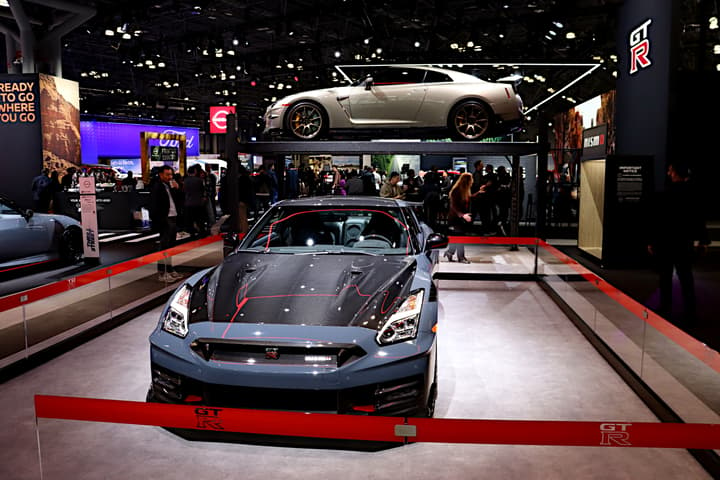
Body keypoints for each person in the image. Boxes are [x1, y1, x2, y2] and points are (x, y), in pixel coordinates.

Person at [647, 163, 710, 323]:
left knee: (665, 276)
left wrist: (652, 241)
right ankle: (690, 312)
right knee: (686, 277)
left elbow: (659, 222)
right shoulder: (692, 195)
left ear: (675, 173)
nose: (668, 173)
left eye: (670, 171)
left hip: (667, 242)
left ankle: (665, 307)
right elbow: (698, 220)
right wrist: (702, 241)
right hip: (684, 242)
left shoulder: (667, 194)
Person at [149, 165, 183, 281]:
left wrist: (177, 189)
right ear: (161, 174)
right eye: (167, 174)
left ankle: (169, 269)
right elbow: (154, 205)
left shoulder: (170, 185)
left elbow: (178, 200)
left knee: (170, 246)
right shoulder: (157, 186)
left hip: (173, 217)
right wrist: (158, 220)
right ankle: (162, 272)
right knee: (164, 246)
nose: (170, 177)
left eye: (171, 174)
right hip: (164, 219)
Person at [443, 172, 475, 263]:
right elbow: (453, 206)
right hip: (455, 218)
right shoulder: (456, 191)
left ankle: (450, 252)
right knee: (460, 237)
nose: (472, 182)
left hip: (460, 218)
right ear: (467, 181)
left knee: (457, 237)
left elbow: (467, 199)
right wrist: (463, 215)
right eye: (471, 180)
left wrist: (477, 193)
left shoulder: (464, 191)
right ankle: (461, 257)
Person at [183, 165, 209, 238]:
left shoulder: (185, 180)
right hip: (198, 203)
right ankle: (202, 234)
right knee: (200, 220)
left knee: (190, 220)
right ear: (195, 171)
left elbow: (184, 191)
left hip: (188, 203)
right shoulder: (199, 180)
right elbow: (203, 191)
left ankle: (192, 234)